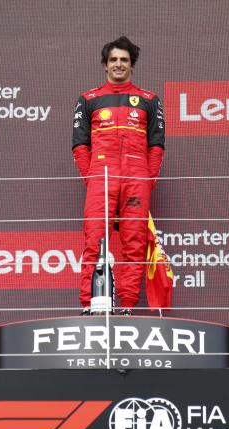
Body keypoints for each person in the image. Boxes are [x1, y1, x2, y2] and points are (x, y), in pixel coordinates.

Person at [72, 36, 165, 315]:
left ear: (132, 65)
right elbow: (79, 145)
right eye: (113, 59)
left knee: (134, 243)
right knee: (94, 241)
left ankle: (127, 305)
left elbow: (157, 146)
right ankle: (90, 303)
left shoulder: (149, 100)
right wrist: (93, 180)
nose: (118, 64)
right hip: (101, 176)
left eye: (124, 60)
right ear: (105, 65)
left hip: (137, 177)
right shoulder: (88, 99)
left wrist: (146, 182)